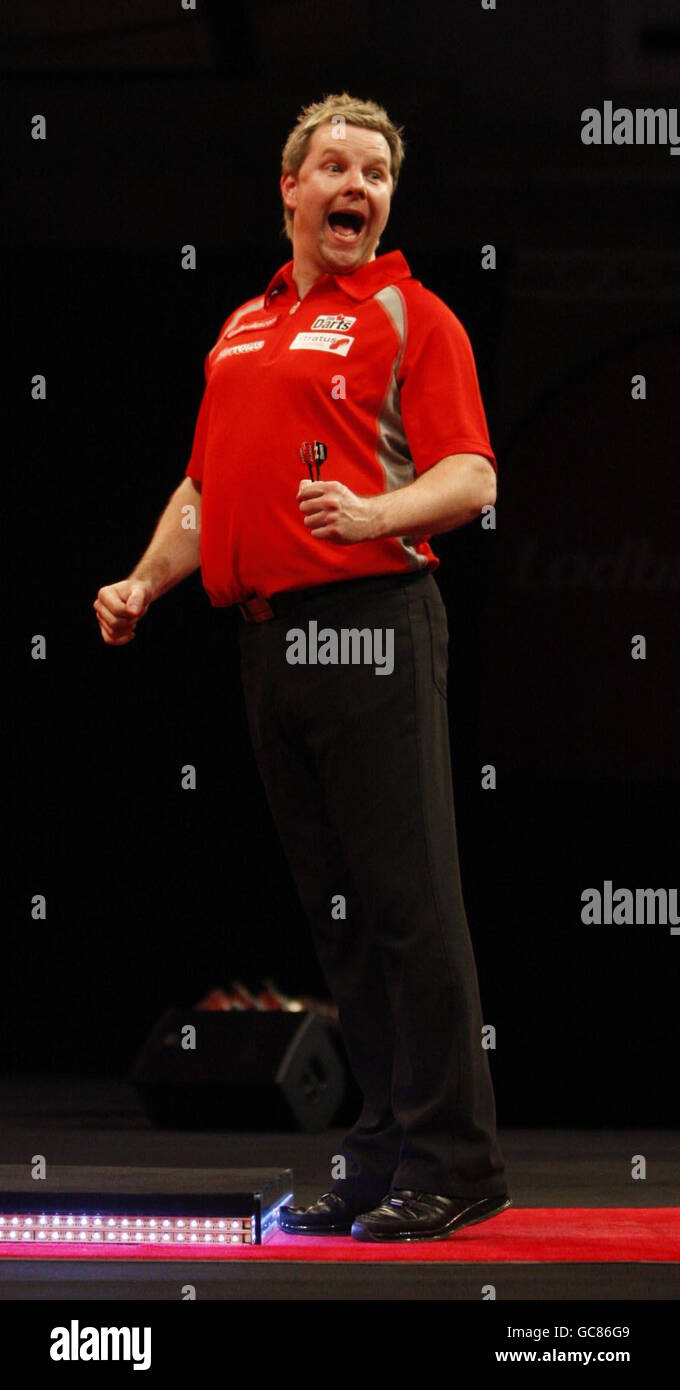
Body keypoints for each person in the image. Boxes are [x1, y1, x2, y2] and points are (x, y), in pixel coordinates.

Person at [93, 92, 511, 1243]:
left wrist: (376, 508)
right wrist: (142, 581)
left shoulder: (411, 317)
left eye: (375, 174)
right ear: (289, 189)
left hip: (374, 622)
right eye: (335, 166)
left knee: (409, 906)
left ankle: (456, 1157)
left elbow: (470, 477)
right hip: (267, 640)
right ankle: (379, 1153)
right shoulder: (242, 326)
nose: (357, 188)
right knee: (340, 924)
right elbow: (200, 491)